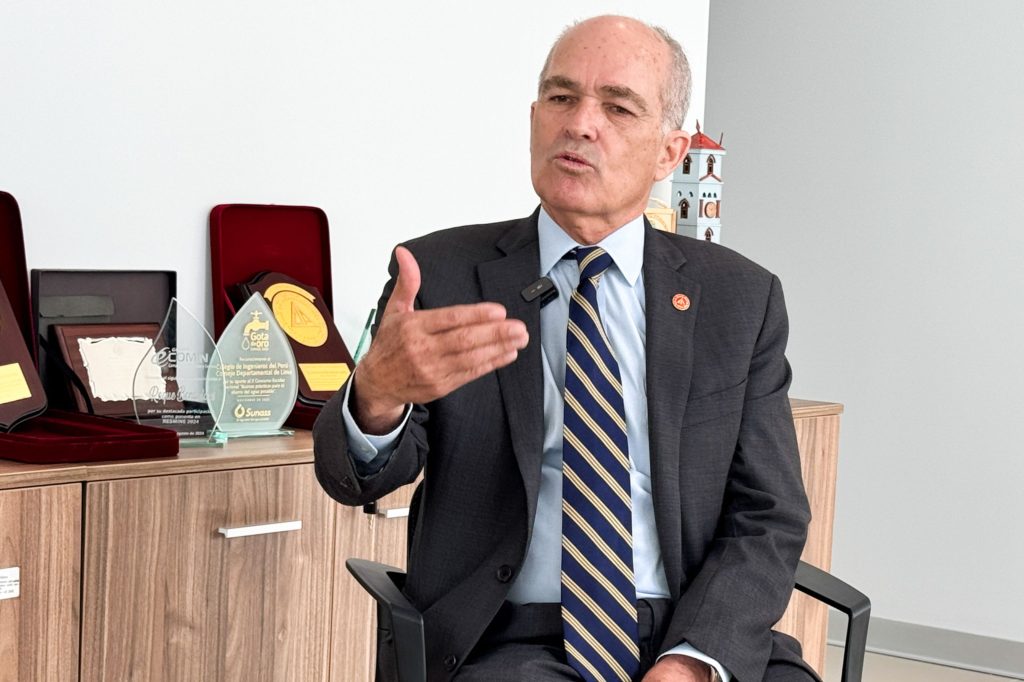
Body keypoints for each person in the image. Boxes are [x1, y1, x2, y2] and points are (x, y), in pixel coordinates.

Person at [314, 15, 818, 682]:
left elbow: (770, 512)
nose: (580, 124)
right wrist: (375, 398)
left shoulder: (739, 299)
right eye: (561, 97)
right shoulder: (441, 275)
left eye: (618, 107)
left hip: (690, 630)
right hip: (513, 640)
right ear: (534, 120)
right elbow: (356, 480)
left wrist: (694, 662)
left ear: (670, 153)